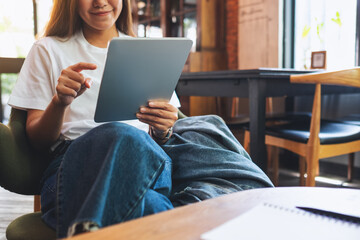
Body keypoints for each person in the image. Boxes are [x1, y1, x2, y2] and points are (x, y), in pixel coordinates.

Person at [8, 0, 273, 238]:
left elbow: (163, 132)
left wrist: (163, 129)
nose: (100, 2)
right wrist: (59, 102)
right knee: (126, 148)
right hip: (75, 165)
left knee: (202, 140)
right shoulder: (48, 49)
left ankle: (89, 229)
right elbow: (37, 141)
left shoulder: (146, 51)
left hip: (152, 162)